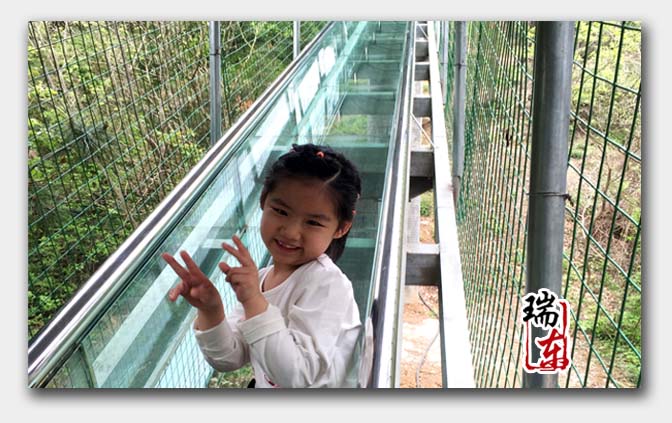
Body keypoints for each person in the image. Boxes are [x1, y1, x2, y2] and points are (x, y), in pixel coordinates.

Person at [161, 143, 363, 388]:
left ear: (342, 227)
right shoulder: (262, 278)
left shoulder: (329, 286)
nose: (291, 232)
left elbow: (298, 377)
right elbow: (230, 358)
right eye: (281, 211)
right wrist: (211, 311)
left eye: (313, 222)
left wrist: (253, 300)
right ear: (263, 200)